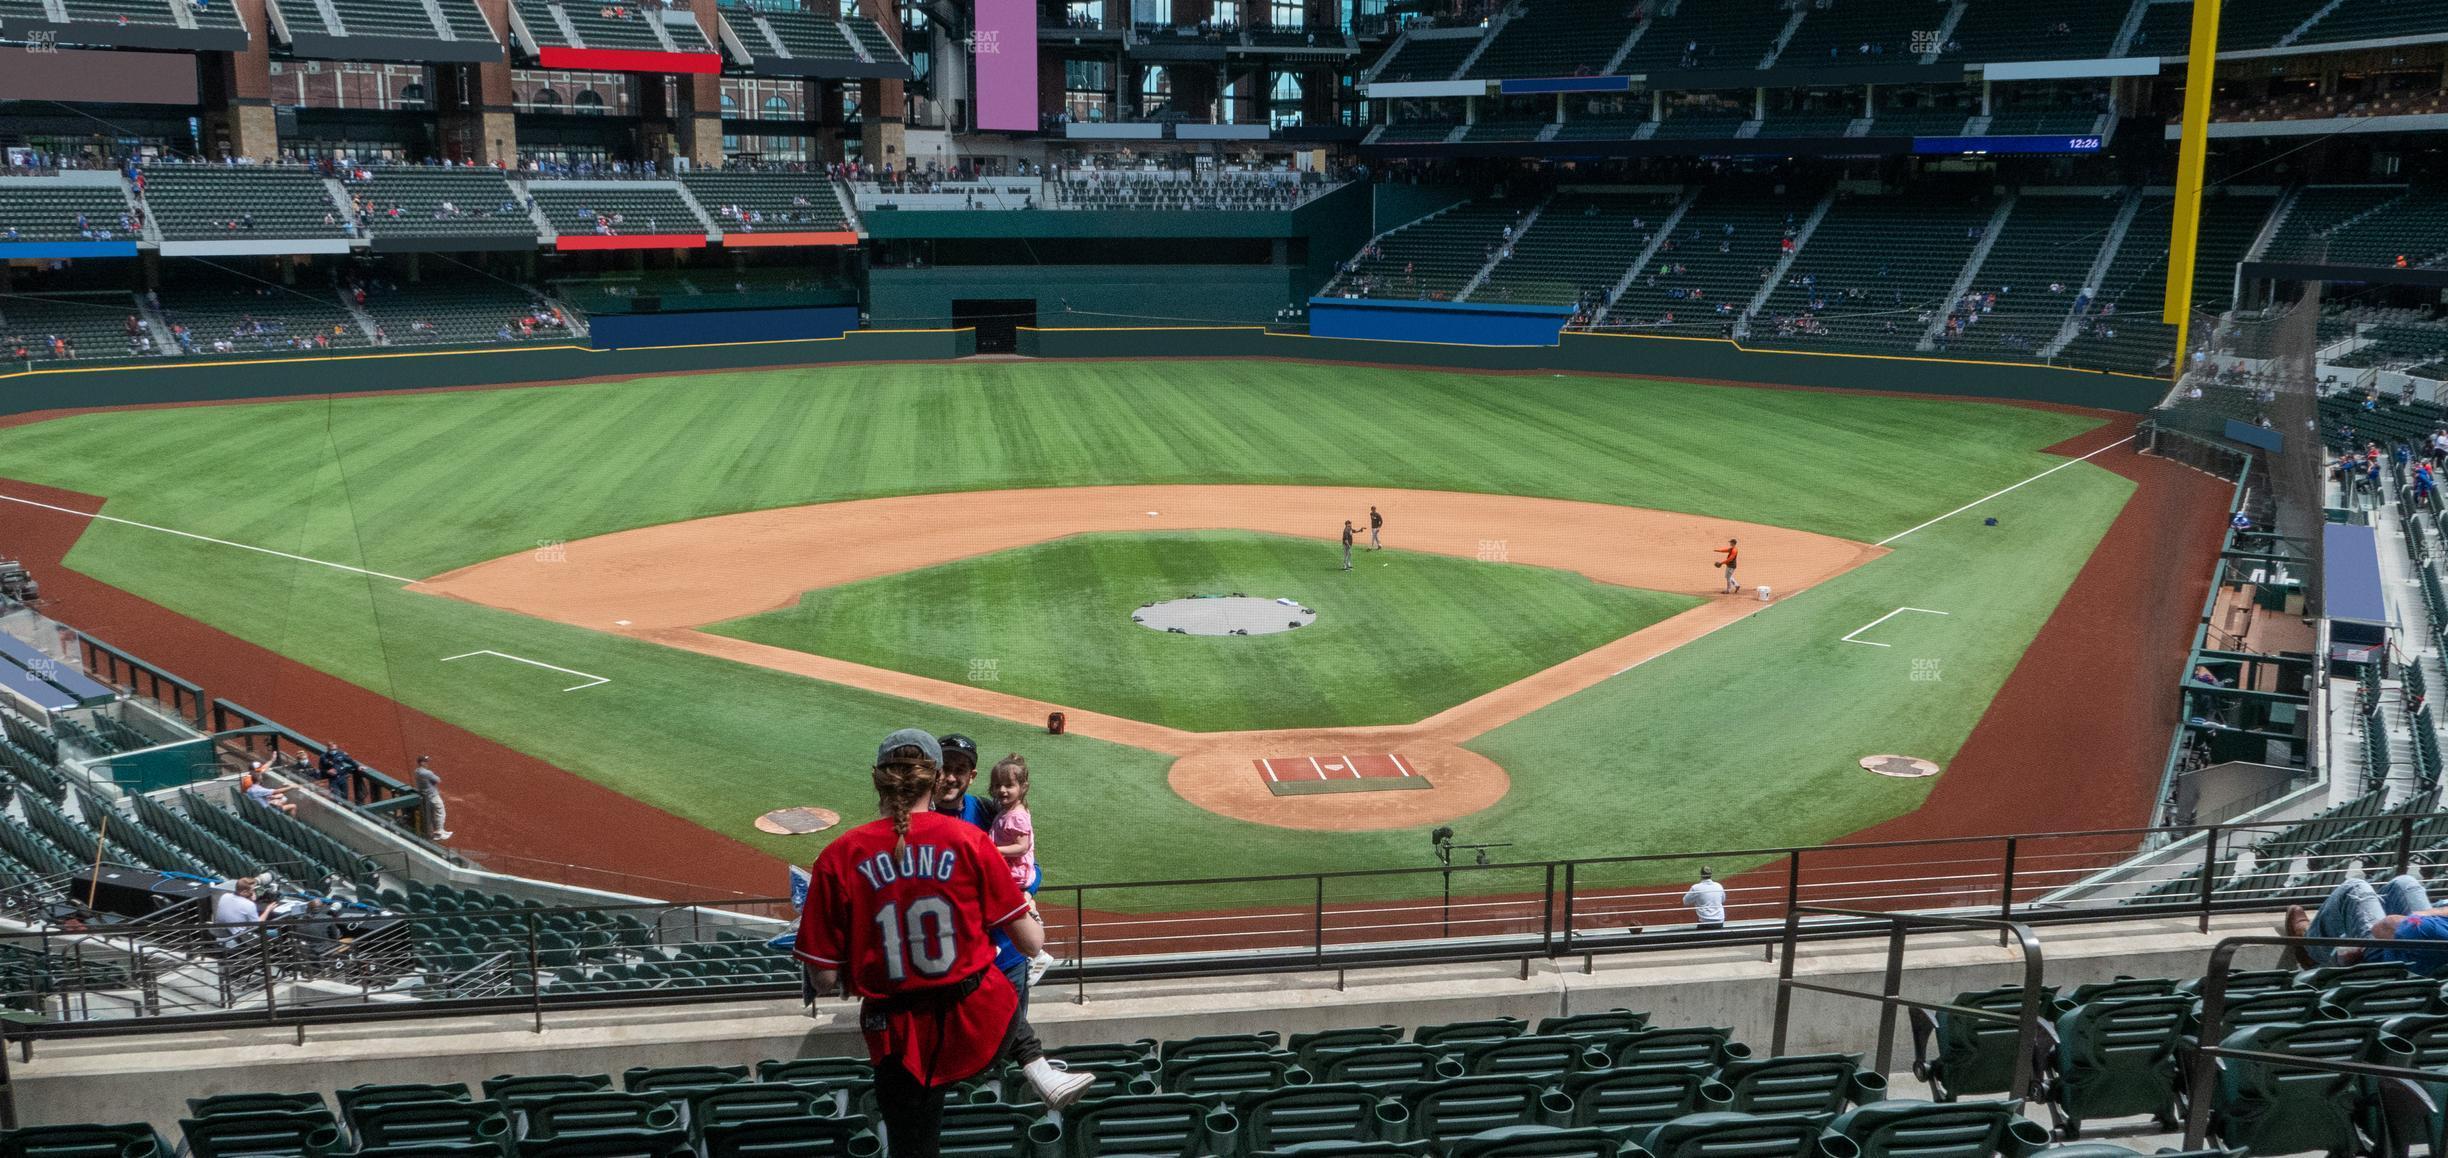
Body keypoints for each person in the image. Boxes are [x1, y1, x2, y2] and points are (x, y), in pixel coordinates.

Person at [796, 730, 1092, 1156]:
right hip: (973, 1021)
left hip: (895, 1035)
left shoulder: (838, 856)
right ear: (935, 780)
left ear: (877, 779)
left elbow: (823, 980)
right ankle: (1038, 1068)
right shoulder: (971, 841)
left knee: (913, 1147)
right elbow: (1032, 943)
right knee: (991, 972)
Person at [2283, 873, 2448, 974]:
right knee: (2405, 884)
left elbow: (2384, 926)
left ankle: (2310, 947)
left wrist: (2424, 915)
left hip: (2380, 961)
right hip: (2430, 956)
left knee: (2355, 889)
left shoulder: (2429, 929)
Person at [987, 754, 1058, 986]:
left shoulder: (1016, 816)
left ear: (1023, 787)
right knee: (1023, 905)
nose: (1002, 790)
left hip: (1016, 872)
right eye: (998, 785)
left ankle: (1038, 955)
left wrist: (994, 850)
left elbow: (1022, 846)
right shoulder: (1009, 810)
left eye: (1009, 785)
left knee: (1007, 906)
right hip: (1015, 870)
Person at [932, 734, 996, 831]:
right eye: (945, 768)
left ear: (971, 777)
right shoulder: (913, 810)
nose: (951, 778)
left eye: (960, 770)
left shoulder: (986, 810)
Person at [212, 876, 263, 951]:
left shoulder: (224, 896)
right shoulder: (249, 904)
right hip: (239, 937)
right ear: (243, 892)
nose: (253, 892)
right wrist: (268, 909)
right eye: (252, 890)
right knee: (274, 932)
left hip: (222, 932)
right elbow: (257, 925)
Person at [414, 756, 451, 840]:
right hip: (433, 796)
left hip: (425, 796)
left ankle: (440, 830)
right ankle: (439, 832)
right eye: (426, 762)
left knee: (433, 814)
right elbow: (438, 780)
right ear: (422, 763)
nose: (427, 763)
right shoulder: (427, 773)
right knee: (440, 813)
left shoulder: (416, 771)